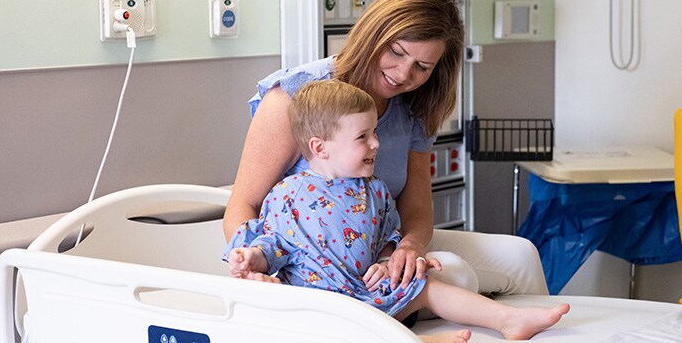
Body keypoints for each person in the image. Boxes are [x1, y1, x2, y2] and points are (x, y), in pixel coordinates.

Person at [222, 0, 548, 301]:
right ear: (373, 35)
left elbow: (417, 208)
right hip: (309, 269)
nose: (403, 74)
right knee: (456, 273)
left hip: (379, 250)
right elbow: (243, 204)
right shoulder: (298, 98)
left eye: (422, 66)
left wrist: (409, 247)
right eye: (396, 52)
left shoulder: (416, 107)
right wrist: (255, 269)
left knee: (522, 254)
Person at [224, 80, 570, 343]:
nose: (376, 143)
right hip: (316, 303)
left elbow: (387, 236)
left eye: (375, 132)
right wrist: (253, 258)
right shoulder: (287, 196)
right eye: (363, 137)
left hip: (366, 292)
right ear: (320, 147)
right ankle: (421, 341)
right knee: (326, 329)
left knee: (426, 289)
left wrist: (391, 261)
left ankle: (506, 319)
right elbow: (273, 245)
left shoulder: (373, 190)